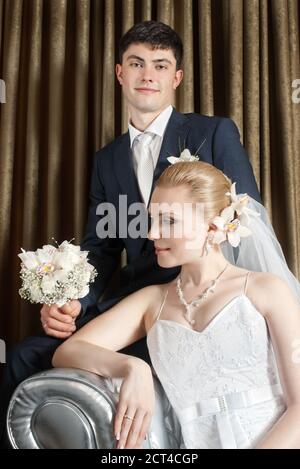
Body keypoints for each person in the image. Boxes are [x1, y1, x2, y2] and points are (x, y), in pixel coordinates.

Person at [0, 20, 260, 447]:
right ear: (120, 73)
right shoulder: (108, 159)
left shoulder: (212, 132)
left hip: (200, 304)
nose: (148, 75)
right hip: (132, 302)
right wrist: (73, 302)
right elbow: (100, 247)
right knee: (25, 354)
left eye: (160, 65)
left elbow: (243, 221)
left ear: (176, 78)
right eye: (136, 63)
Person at [53, 160, 300, 449]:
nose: (152, 234)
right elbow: (67, 351)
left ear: (212, 225)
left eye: (169, 221)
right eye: (152, 220)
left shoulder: (264, 290)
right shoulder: (151, 302)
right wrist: (131, 367)